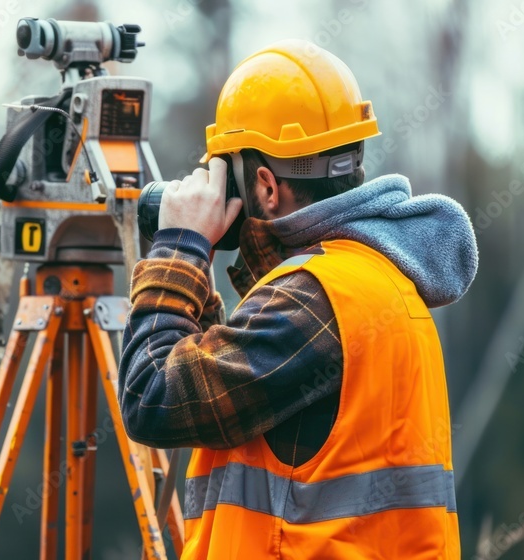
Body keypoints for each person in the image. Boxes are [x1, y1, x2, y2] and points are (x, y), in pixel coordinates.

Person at [118, 39, 478, 559]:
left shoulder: (317, 304)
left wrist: (179, 246)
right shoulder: (374, 280)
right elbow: (238, 409)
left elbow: (153, 397)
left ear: (264, 186)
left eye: (228, 172)